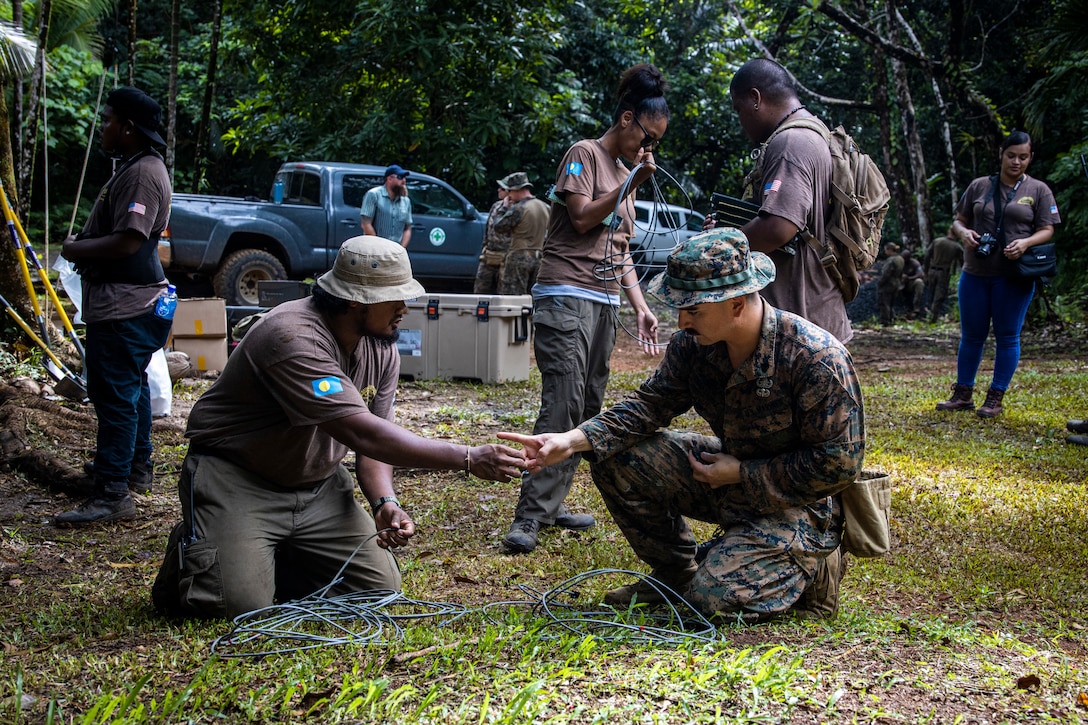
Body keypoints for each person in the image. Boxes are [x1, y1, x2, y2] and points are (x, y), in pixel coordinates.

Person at [151, 236, 526, 619]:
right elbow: (362, 432)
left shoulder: (381, 346)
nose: (404, 308)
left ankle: (267, 554)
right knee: (237, 605)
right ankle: (201, 547)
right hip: (240, 480)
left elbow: (374, 445)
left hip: (317, 488)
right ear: (354, 300)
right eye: (394, 298)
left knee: (378, 589)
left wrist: (385, 502)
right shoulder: (292, 336)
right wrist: (467, 457)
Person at [500, 228, 865, 620]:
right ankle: (674, 573)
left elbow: (837, 465)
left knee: (706, 602)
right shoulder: (694, 345)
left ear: (737, 304)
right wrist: (572, 440)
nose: (681, 320)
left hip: (800, 504)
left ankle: (813, 564)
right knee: (612, 453)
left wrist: (743, 473)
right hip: (725, 477)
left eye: (693, 310)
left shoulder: (815, 357)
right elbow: (648, 406)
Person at [503, 63, 666, 554]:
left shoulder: (624, 171)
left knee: (588, 408)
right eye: (647, 137)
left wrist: (640, 305)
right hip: (564, 295)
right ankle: (530, 516)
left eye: (656, 142)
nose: (649, 150)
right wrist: (630, 183)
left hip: (603, 302)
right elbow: (579, 220)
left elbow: (619, 252)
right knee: (563, 401)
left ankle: (551, 507)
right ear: (626, 119)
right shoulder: (584, 155)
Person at [55, 86, 173, 525]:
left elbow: (129, 240)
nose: (101, 127)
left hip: (128, 306)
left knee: (115, 396)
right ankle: (134, 467)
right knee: (131, 385)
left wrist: (75, 249)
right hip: (129, 303)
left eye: (107, 120)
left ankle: (112, 493)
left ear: (128, 128)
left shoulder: (143, 173)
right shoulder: (134, 167)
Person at [705, 58, 851, 344]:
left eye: (739, 109)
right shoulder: (815, 132)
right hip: (815, 316)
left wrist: (717, 243)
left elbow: (778, 228)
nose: (741, 120)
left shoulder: (790, 143)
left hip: (799, 326)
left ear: (755, 98)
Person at [936, 131, 1061, 418]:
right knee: (971, 336)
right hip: (976, 273)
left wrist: (1026, 242)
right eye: (1011, 155)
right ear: (1001, 154)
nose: (1016, 162)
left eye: (1023, 157)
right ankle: (963, 393)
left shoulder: (1038, 190)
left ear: (1030, 158)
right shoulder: (980, 186)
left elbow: (1048, 228)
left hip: (1014, 275)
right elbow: (958, 220)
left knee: (1007, 336)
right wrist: (964, 233)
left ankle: (995, 396)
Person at [499, 174, 550, 296]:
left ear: (517, 190)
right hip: (539, 259)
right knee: (534, 299)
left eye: (510, 191)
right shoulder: (545, 207)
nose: (509, 195)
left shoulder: (519, 208)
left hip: (518, 257)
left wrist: (504, 208)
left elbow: (499, 227)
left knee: (513, 300)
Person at [473, 176, 514, 294]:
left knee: (503, 294)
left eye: (502, 188)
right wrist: (484, 248)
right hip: (489, 256)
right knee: (480, 290)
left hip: (506, 258)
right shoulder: (496, 206)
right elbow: (488, 230)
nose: (498, 190)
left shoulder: (518, 208)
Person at [360, 164, 413, 248]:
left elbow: (407, 228)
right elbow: (365, 224)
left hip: (395, 252)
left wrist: (401, 249)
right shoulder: (374, 195)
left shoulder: (406, 201)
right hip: (375, 249)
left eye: (404, 178)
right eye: (400, 177)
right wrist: (378, 247)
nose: (404, 181)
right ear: (389, 179)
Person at [923, 234, 964, 322]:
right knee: (939, 295)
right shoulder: (957, 246)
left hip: (932, 270)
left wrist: (926, 271)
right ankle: (933, 317)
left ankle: (928, 314)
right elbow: (962, 262)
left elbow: (927, 256)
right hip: (943, 273)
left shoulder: (937, 241)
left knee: (931, 293)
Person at [877, 243, 904, 326]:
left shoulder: (891, 260)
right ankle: (892, 319)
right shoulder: (900, 259)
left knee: (884, 302)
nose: (885, 252)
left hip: (889, 283)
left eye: (886, 250)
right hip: (897, 282)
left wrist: (880, 283)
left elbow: (886, 274)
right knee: (891, 303)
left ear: (889, 250)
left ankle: (885, 321)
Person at [900, 248, 925, 318]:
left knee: (919, 282)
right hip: (899, 282)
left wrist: (909, 278)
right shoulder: (899, 262)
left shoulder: (915, 263)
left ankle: (916, 306)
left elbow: (921, 274)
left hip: (910, 282)